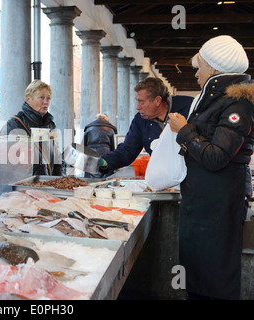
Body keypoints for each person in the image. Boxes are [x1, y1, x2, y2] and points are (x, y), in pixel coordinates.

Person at [168, 35, 254, 300]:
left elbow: (217, 157)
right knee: (199, 275)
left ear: (215, 69)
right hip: (204, 202)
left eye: (199, 66)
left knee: (215, 279)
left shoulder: (238, 104)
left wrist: (184, 131)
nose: (195, 74)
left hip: (219, 204)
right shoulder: (216, 99)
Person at [98, 77, 194, 175]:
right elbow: (127, 150)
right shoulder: (140, 120)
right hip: (166, 178)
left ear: (157, 100)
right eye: (137, 101)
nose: (137, 107)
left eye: (142, 102)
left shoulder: (190, 107)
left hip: (193, 175)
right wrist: (103, 162)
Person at [6, 80, 63, 176]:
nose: (46, 102)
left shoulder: (50, 124)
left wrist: (59, 181)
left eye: (48, 98)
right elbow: (13, 160)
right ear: (28, 99)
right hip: (26, 183)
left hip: (48, 183)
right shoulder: (15, 123)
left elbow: (57, 157)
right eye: (41, 97)